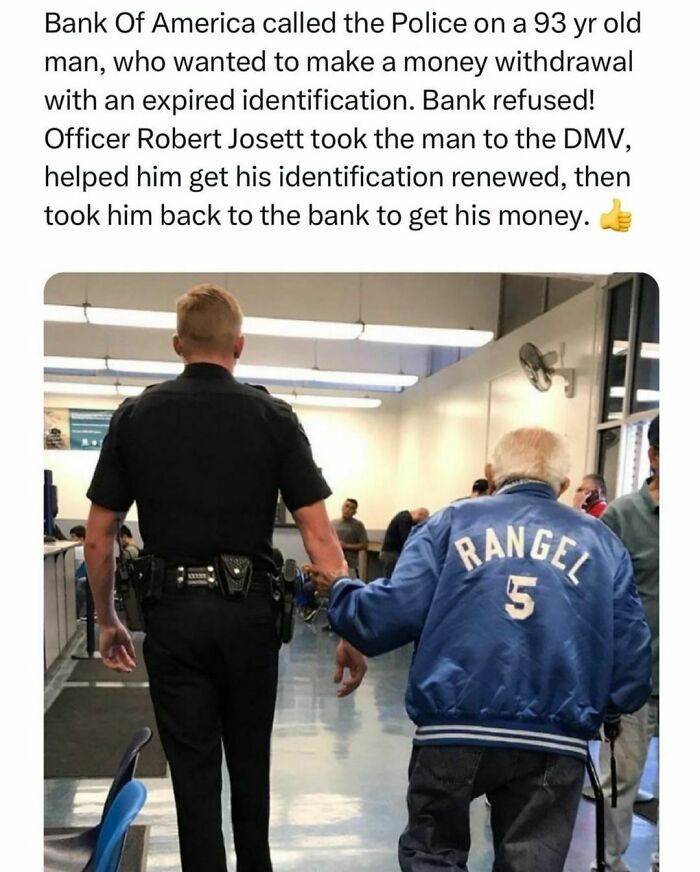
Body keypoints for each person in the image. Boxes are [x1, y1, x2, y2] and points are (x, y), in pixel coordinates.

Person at [84, 284, 367, 872]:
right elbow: (320, 537)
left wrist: (109, 619)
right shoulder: (274, 418)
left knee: (193, 776)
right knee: (249, 765)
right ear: (239, 344)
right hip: (250, 621)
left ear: (177, 344)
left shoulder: (134, 417)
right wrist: (349, 626)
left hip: (172, 622)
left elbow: (99, 534)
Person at [308, 427, 652, 872]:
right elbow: (631, 660)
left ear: (491, 474)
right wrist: (609, 709)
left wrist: (341, 592)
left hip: (452, 729)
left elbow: (388, 616)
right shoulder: (602, 543)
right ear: (564, 485)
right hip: (556, 738)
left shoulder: (450, 524)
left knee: (433, 854)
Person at [594, 416, 659, 872]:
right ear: (654, 457)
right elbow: (599, 602)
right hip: (637, 680)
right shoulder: (621, 516)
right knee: (620, 780)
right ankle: (606, 862)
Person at [380, 507, 429, 576]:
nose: (419, 524)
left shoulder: (404, 517)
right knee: (391, 578)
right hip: (391, 554)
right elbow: (406, 539)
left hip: (389, 553)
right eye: (421, 521)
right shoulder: (405, 519)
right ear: (420, 515)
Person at [332, 498, 369, 578]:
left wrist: (346, 545)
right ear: (342, 507)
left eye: (351, 508)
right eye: (346, 506)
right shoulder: (333, 523)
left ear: (355, 512)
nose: (348, 510)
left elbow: (364, 545)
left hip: (350, 565)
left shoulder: (358, 525)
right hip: (333, 564)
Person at [69, 524, 88, 619]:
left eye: (73, 537)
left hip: (79, 580)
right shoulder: (89, 549)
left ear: (81, 538)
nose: (71, 540)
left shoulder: (76, 550)